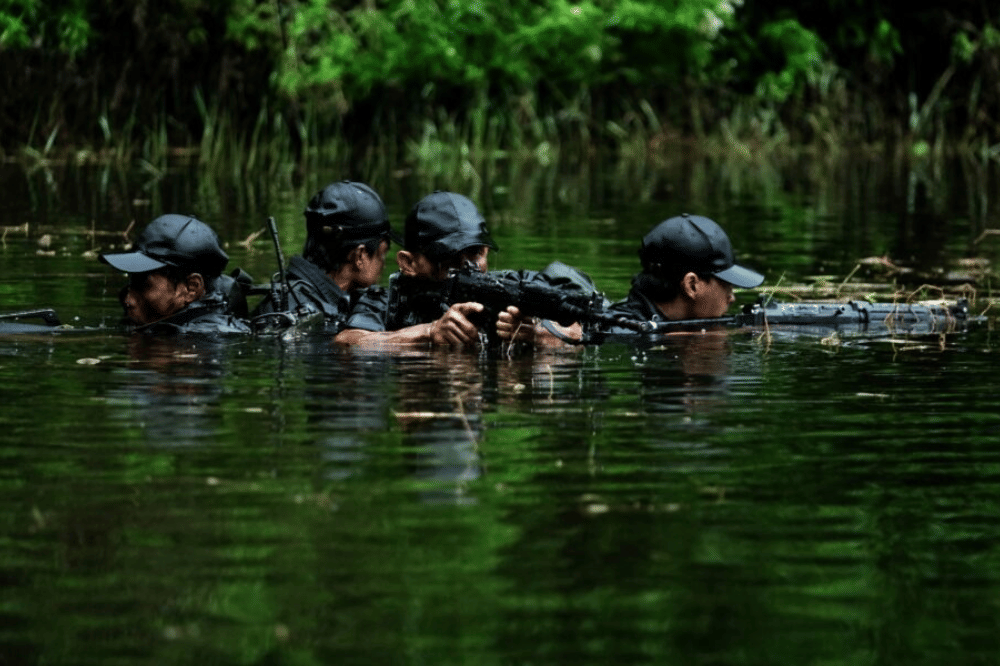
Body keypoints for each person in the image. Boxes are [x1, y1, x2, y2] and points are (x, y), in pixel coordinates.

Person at [335, 191, 572, 347]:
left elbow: (582, 328)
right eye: (448, 259)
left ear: (486, 251)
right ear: (408, 263)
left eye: (476, 253)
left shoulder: (516, 288)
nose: (467, 268)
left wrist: (538, 336)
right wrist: (428, 333)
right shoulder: (386, 302)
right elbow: (347, 341)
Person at [251, 180, 401, 334]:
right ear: (359, 257)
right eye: (382, 254)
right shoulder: (312, 318)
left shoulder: (286, 298)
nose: (383, 264)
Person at [601, 213, 764, 333]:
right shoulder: (619, 332)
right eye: (726, 285)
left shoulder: (633, 319)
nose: (732, 298)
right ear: (691, 285)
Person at [99, 214, 251, 334]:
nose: (128, 300)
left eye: (144, 284)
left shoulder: (202, 340)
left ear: (191, 288)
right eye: (132, 281)